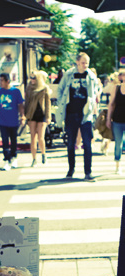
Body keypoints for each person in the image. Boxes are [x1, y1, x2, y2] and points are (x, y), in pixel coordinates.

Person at [57, 52, 98, 180]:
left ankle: (88, 172)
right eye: (83, 62)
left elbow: (95, 92)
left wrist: (94, 106)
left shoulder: (91, 76)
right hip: (71, 113)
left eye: (87, 63)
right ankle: (71, 169)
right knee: (70, 144)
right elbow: (60, 89)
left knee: (87, 143)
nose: (85, 65)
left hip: (86, 114)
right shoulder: (69, 74)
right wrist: (61, 103)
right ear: (77, 62)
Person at [0, 73, 25, 171]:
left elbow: (20, 105)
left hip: (13, 120)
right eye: (0, 80)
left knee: (13, 140)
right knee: (5, 141)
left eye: (2, 80)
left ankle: (14, 157)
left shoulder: (16, 91)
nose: (0, 82)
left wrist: (22, 116)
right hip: (3, 121)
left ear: (8, 81)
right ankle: (6, 160)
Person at [25, 70, 51, 166]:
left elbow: (48, 103)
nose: (32, 80)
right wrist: (25, 115)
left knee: (41, 137)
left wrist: (48, 117)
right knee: (33, 137)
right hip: (32, 114)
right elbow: (26, 102)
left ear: (38, 78)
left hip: (42, 114)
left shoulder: (44, 88)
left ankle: (43, 154)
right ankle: (34, 159)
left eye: (34, 78)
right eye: (31, 77)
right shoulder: (29, 88)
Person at [106, 68, 125, 174]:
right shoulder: (116, 88)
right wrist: (108, 119)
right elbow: (111, 104)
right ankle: (118, 165)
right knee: (118, 143)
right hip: (117, 120)